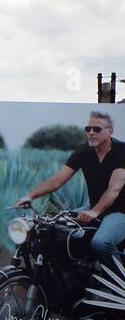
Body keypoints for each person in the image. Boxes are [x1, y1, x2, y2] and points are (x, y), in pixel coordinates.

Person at [16, 110, 125, 260]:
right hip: (93, 206)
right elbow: (57, 180)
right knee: (57, 230)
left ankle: (118, 280)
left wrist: (94, 212)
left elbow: (114, 189)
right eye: (88, 129)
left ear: (109, 131)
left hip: (120, 211)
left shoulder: (122, 151)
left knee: (101, 242)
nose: (91, 133)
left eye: (97, 129)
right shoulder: (84, 151)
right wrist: (30, 196)